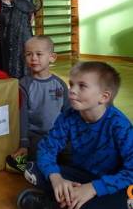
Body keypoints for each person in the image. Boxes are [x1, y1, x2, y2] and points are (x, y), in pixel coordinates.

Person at [17, 62, 133, 209]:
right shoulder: (68, 117)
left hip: (111, 182)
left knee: (127, 200)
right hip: (80, 176)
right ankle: (72, 200)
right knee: (31, 168)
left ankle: (52, 204)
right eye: (71, 84)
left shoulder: (119, 125)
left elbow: (131, 171)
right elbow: (46, 148)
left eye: (82, 86)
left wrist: (93, 188)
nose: (71, 90)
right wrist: (56, 178)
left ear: (104, 97)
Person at [6, 36, 69, 173]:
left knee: (73, 153)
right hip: (35, 135)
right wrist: (23, 144)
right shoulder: (24, 85)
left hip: (57, 135)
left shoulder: (60, 84)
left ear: (52, 57)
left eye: (39, 54)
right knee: (39, 152)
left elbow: (68, 112)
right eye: (29, 54)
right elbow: (22, 116)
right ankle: (30, 165)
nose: (33, 58)